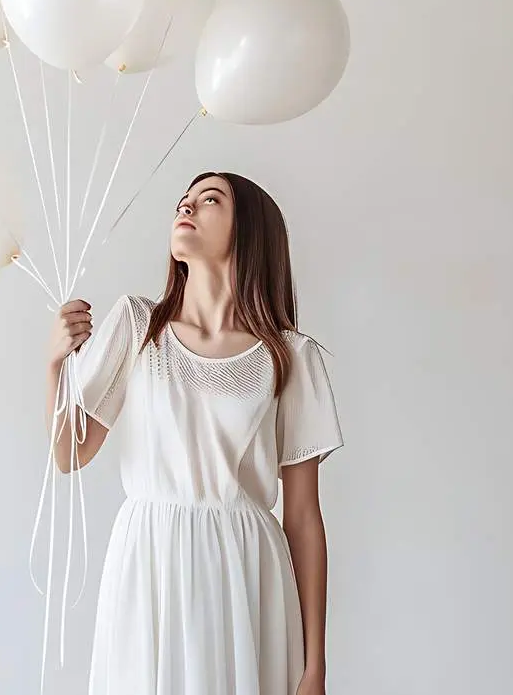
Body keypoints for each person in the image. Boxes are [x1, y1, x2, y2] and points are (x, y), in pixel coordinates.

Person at [46, 172, 343, 695]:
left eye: (210, 200)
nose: (187, 207)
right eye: (184, 200)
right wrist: (56, 368)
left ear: (250, 230)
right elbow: (70, 454)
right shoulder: (138, 327)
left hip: (248, 573)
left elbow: (302, 516)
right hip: (151, 562)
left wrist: (315, 665)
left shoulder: (291, 357)